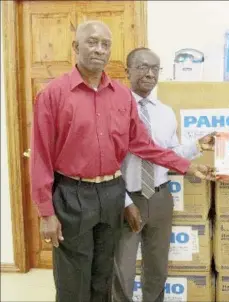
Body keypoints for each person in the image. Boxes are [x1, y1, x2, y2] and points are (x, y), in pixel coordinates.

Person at [30, 21, 214, 302]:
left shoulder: (120, 96)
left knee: (104, 276)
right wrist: (46, 212)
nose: (99, 50)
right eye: (91, 42)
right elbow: (41, 156)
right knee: (73, 280)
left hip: (112, 194)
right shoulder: (53, 95)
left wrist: (186, 165)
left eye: (105, 44)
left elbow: (143, 145)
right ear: (75, 47)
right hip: (72, 194)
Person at [111, 48, 213, 302]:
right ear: (127, 71)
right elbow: (107, 163)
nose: (149, 73)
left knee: (157, 267)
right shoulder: (115, 110)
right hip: (126, 199)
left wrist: (197, 145)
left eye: (155, 68)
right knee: (122, 269)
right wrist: (124, 202)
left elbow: (168, 154)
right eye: (142, 67)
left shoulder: (165, 112)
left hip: (159, 197)